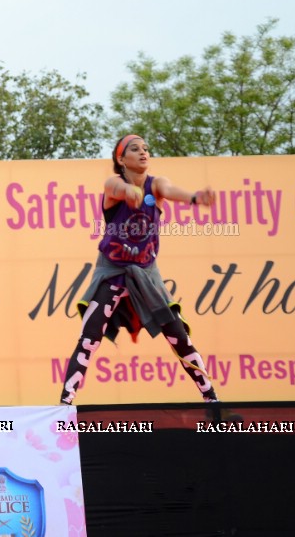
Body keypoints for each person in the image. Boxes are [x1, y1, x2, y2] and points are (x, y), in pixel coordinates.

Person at [58, 134, 236, 418]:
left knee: (178, 336)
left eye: (146, 149)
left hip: (146, 274)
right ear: (121, 159)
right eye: (135, 149)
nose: (143, 152)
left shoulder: (157, 184)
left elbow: (171, 189)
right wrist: (128, 192)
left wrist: (194, 198)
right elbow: (114, 187)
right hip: (112, 272)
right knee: (90, 338)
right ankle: (64, 407)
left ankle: (214, 405)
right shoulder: (114, 184)